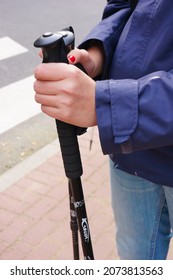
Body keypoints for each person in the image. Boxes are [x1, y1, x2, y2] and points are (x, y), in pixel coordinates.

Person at [34, 0, 173, 260]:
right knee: (133, 259)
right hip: (132, 150)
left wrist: (110, 104)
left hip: (128, 123)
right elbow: (123, 5)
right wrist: (97, 54)